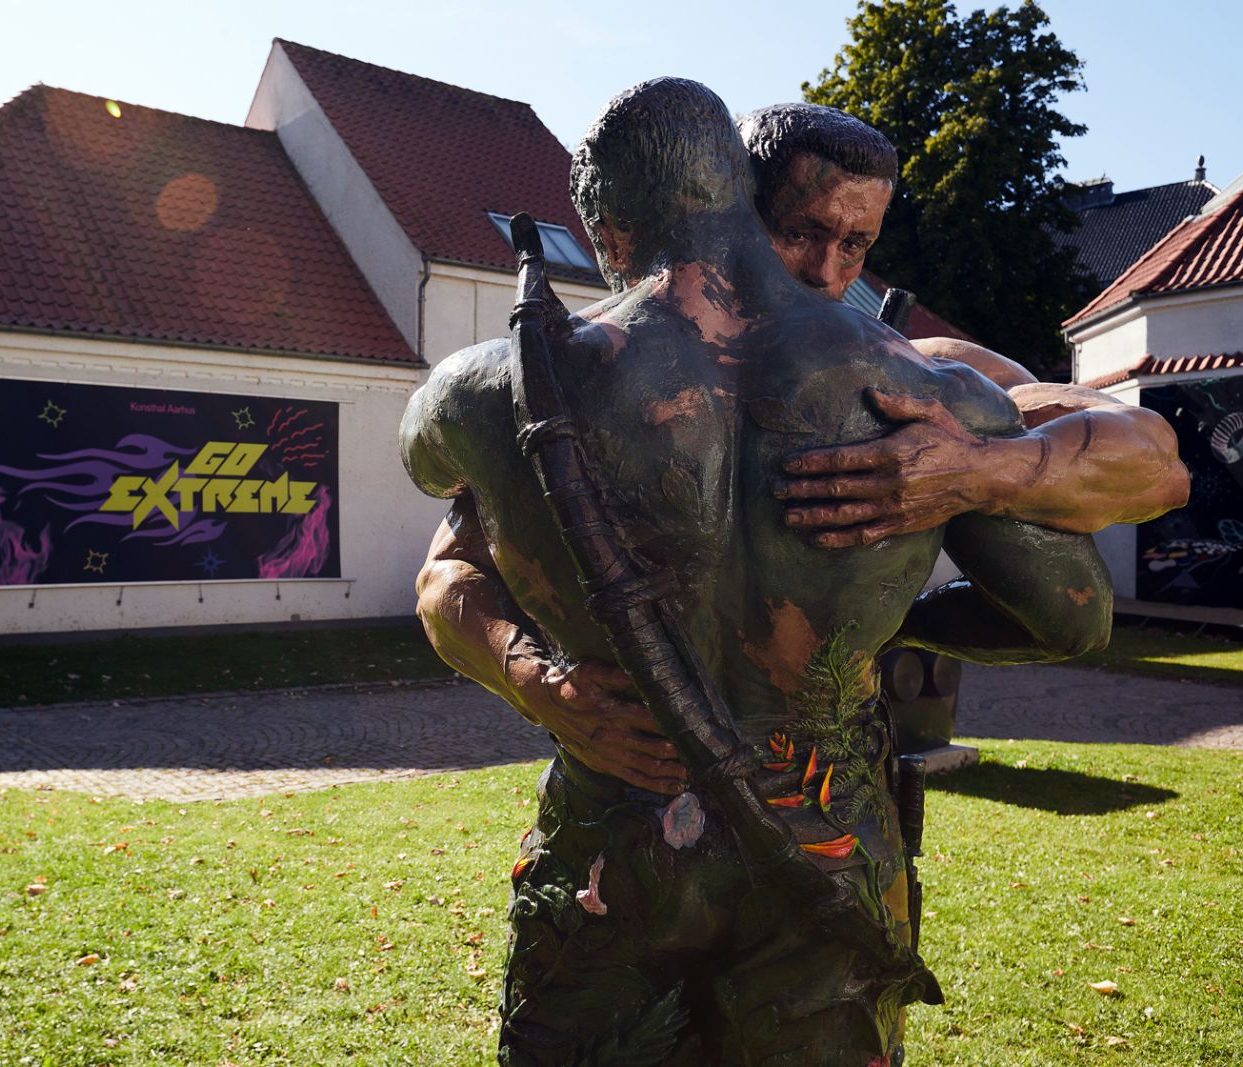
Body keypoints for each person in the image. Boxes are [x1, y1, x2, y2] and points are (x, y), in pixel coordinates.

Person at [401, 78, 1114, 1065]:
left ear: (605, 231)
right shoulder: (928, 398)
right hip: (821, 842)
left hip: (612, 835)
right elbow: (1070, 618)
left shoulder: (489, 392)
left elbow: (439, 524)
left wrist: (543, 679)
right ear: (738, 196)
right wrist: (885, 619)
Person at [415, 101, 1188, 797]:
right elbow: (446, 572)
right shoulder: (572, 376)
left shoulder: (921, 373)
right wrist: (537, 682)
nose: (828, 272)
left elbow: (1159, 463)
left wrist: (976, 473)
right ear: (734, 214)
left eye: (857, 245)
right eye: (802, 233)